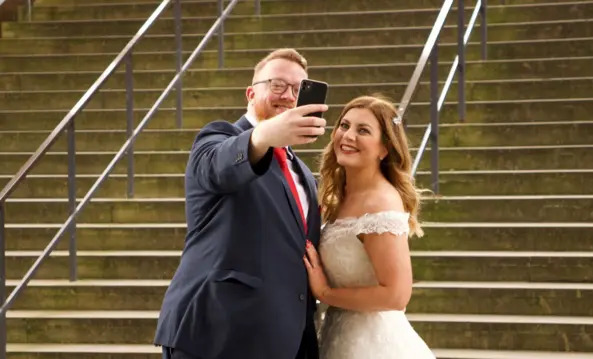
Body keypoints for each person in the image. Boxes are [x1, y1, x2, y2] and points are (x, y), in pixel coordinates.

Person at [153, 48, 328, 359]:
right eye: (277, 85)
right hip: (217, 335)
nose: (288, 96)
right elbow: (217, 167)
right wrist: (262, 136)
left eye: (298, 89)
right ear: (251, 92)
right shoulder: (218, 138)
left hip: (284, 340)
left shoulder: (302, 172)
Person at [303, 95, 437, 359]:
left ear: (384, 148)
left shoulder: (380, 203)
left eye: (363, 130)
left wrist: (325, 293)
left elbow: (396, 295)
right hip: (339, 335)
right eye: (344, 125)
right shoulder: (339, 196)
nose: (348, 136)